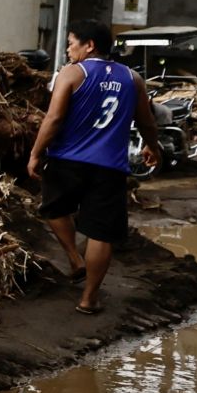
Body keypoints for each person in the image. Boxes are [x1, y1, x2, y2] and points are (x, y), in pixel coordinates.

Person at [28, 18, 161, 316]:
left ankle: (75, 258)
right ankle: (89, 298)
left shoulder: (72, 73)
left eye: (71, 43)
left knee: (53, 208)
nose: (68, 49)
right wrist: (152, 146)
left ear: (90, 45)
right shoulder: (132, 78)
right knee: (101, 233)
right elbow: (146, 121)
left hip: (67, 160)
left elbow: (54, 119)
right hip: (110, 168)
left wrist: (36, 152)